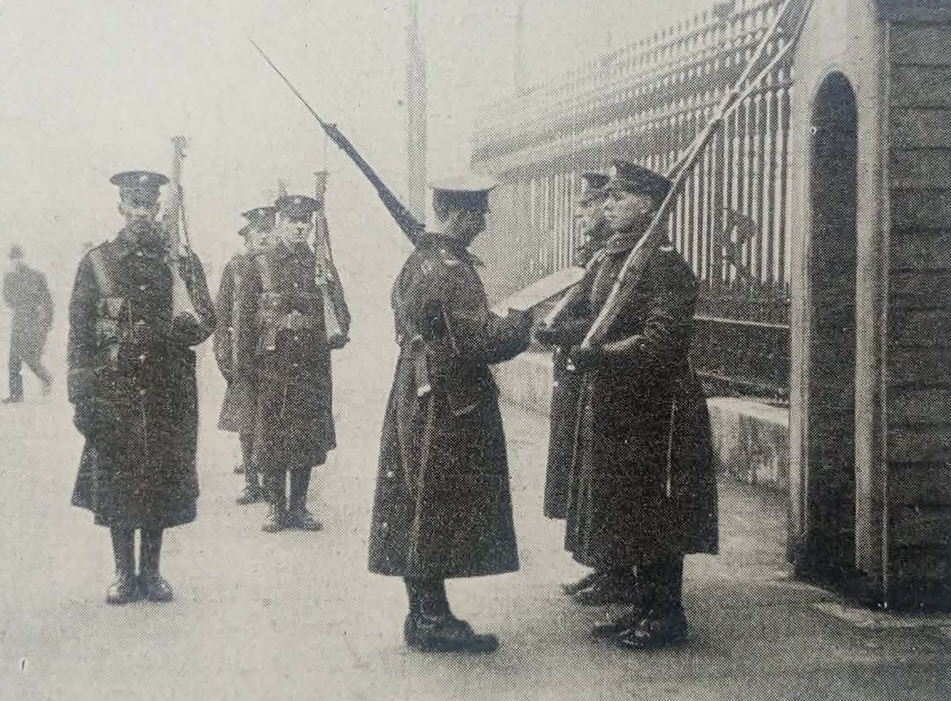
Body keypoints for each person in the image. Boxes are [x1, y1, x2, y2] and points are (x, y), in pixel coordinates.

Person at [367, 175, 534, 654]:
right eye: (479, 215)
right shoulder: (451, 269)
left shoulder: (419, 260)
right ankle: (432, 619)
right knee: (436, 501)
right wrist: (522, 322)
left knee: (417, 497)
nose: (483, 224)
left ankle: (424, 612)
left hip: (418, 389)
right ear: (460, 215)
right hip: (449, 399)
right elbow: (479, 342)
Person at [558, 159, 718, 649]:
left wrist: (599, 354)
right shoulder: (620, 260)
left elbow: (660, 340)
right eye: (606, 197)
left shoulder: (665, 266)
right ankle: (644, 605)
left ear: (650, 205)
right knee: (629, 504)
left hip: (658, 406)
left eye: (619, 197)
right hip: (622, 403)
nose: (607, 205)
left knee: (657, 507)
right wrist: (563, 333)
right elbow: (596, 317)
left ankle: (666, 614)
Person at [69, 170, 215, 604]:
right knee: (118, 482)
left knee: (158, 481)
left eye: (149, 205)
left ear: (158, 209)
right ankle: (122, 573)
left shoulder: (181, 260)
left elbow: (206, 319)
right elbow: (79, 334)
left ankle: (151, 573)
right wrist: (80, 394)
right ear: (121, 208)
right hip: (114, 390)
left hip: (167, 389)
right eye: (134, 204)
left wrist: (183, 324)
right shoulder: (98, 262)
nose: (141, 213)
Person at [247, 187, 349, 533]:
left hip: (310, 364)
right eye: (292, 220)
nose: (299, 227)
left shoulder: (321, 264)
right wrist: (245, 367)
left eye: (305, 221)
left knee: (305, 436)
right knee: (273, 435)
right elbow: (245, 318)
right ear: (280, 222)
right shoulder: (261, 262)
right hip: (273, 364)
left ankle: (299, 507)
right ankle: (276, 508)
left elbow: (342, 314)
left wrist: (327, 319)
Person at [213, 207, 275, 504]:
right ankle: (251, 482)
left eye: (268, 231)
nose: (264, 238)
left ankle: (271, 481)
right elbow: (222, 313)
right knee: (247, 421)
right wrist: (224, 353)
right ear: (247, 237)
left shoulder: (278, 266)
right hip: (244, 356)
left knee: (272, 418)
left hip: (273, 355)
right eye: (258, 232)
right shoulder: (236, 267)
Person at [2, 245, 53, 402]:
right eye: (13, 259)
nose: (15, 261)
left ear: (23, 258)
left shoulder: (36, 276)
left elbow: (47, 301)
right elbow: (8, 300)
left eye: (18, 258)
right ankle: (16, 395)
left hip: (34, 323)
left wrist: (47, 322)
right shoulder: (9, 278)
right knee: (14, 360)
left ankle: (46, 378)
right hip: (19, 322)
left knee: (30, 357)